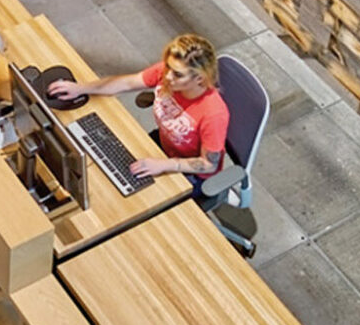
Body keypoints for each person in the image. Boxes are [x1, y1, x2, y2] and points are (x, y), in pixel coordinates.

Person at [46, 32, 232, 202]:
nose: (167, 76)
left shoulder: (213, 114)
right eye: (167, 66)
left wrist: (164, 165)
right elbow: (127, 83)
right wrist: (80, 88)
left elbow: (208, 165)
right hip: (163, 148)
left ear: (199, 78)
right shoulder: (167, 74)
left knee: (134, 201)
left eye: (177, 74)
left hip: (190, 173)